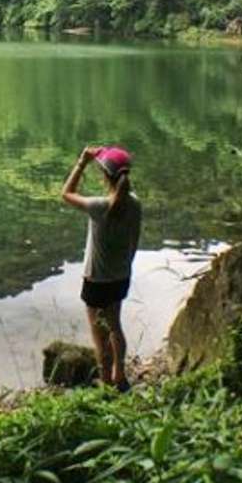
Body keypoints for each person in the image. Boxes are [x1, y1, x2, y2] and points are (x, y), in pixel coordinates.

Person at [61, 145, 142, 391]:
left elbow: (66, 193)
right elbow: (134, 242)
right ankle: (121, 376)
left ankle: (106, 381)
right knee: (115, 326)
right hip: (121, 277)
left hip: (96, 280)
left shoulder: (99, 206)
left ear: (105, 176)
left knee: (99, 335)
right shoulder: (135, 204)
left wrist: (82, 162)